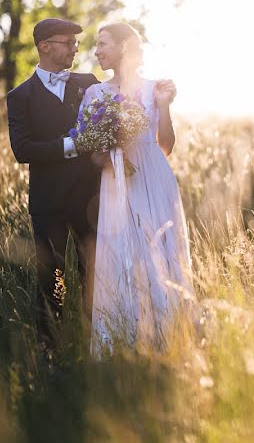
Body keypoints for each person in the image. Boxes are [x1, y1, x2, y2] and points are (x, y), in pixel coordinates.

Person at [80, 22, 193, 352]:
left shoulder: (154, 88)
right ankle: (122, 339)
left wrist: (163, 106)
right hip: (115, 180)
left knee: (158, 248)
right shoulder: (94, 94)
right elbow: (92, 153)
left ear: (124, 47)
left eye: (102, 44)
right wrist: (108, 147)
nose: (97, 51)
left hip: (152, 177)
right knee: (119, 251)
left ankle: (167, 334)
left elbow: (166, 146)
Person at [6, 18, 100, 349]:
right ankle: (50, 350)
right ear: (45, 46)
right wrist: (71, 145)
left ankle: (97, 344)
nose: (75, 48)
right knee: (51, 277)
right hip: (48, 203)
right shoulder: (20, 96)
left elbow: (113, 117)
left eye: (76, 43)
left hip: (92, 200)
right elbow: (23, 149)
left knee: (95, 273)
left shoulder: (89, 84)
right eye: (68, 42)